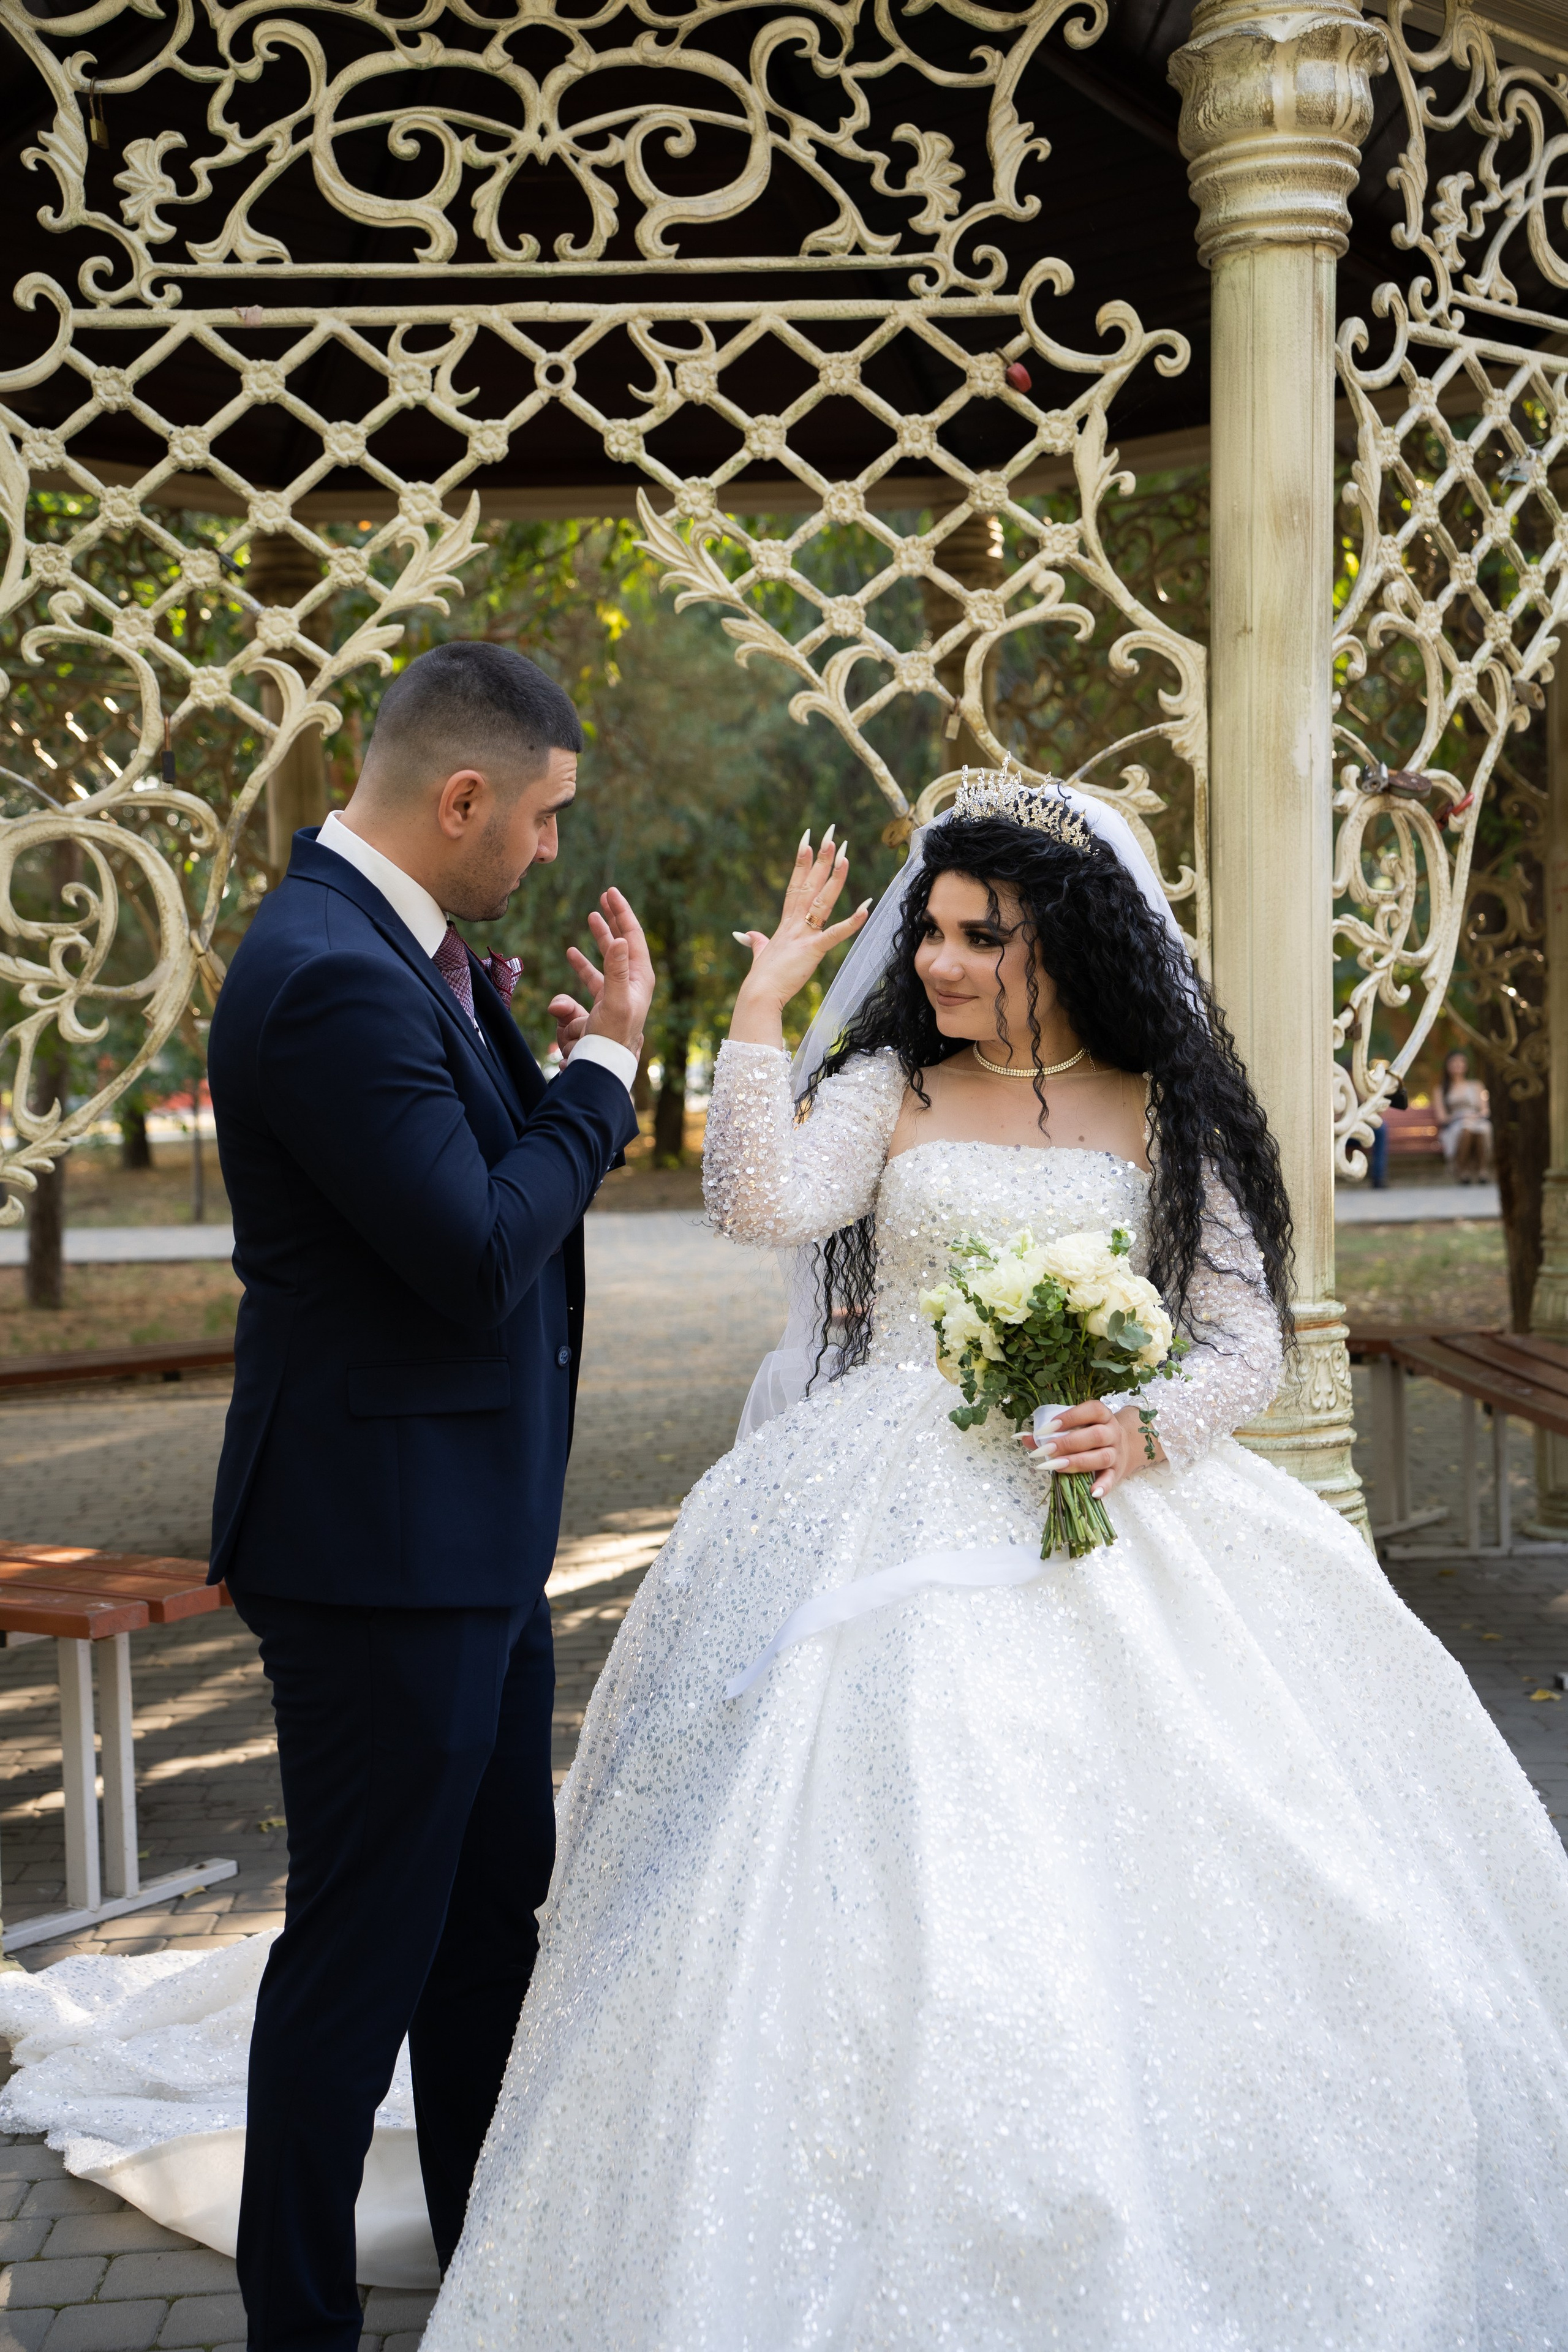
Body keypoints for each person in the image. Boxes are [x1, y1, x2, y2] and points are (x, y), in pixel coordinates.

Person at [423, 767, 1568, 2348]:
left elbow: (1240, 1338)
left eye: (984, 936)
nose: (944, 963)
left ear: (1070, 941)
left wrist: (1146, 1421)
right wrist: (763, 1005)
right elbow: (759, 1204)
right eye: (935, 933)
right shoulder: (892, 1081)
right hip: (880, 1501)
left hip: (1111, 1513)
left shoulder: (1161, 1103)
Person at [205, 643, 651, 2345]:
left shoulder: (410, 952)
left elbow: (453, 1192)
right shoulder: (328, 972)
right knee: (356, 1970)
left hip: (463, 1544)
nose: (547, 849)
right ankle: (300, 2327)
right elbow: (474, 1253)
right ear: (461, 798)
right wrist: (607, 1076)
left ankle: (493, 2280)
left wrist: (544, 1091)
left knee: (481, 1942)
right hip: (377, 1559)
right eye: (540, 819)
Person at [1436, 1047, 1493, 1183]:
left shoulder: (1477, 1085)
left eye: (1461, 1062)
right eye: (1454, 1062)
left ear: (1466, 1066)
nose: (1458, 1065)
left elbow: (1485, 1110)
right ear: (1447, 1066)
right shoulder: (1441, 1089)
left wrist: (1475, 1117)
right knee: (1466, 1129)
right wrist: (1460, 1117)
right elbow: (1442, 1117)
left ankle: (1482, 1170)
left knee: (1482, 1129)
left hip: (1477, 1120)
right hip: (1455, 1123)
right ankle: (1462, 1169)